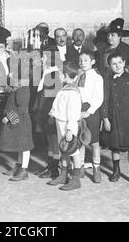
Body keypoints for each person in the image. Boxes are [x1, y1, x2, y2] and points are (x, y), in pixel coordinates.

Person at [102, 52, 129, 185]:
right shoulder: (108, 80)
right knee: (115, 145)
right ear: (109, 66)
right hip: (114, 116)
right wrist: (105, 118)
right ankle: (116, 171)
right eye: (113, 64)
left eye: (120, 63)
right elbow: (104, 100)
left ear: (124, 63)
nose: (117, 66)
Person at [47, 61, 82, 190]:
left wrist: (70, 130)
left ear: (66, 75)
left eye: (60, 74)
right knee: (64, 151)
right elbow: (57, 104)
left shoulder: (73, 93)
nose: (58, 76)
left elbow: (73, 114)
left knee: (74, 152)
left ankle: (76, 179)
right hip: (60, 124)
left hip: (68, 126)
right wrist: (52, 114)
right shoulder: (64, 88)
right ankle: (63, 175)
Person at [0, 62, 34, 181]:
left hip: (22, 122)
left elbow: (22, 108)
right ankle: (19, 166)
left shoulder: (23, 89)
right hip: (17, 121)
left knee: (25, 146)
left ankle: (24, 170)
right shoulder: (17, 87)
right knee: (20, 145)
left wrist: (9, 117)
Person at [33, 46, 63, 179]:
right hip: (45, 113)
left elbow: (54, 99)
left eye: (44, 56)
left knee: (54, 141)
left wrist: (51, 115)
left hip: (51, 114)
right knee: (50, 141)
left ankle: (55, 169)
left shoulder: (54, 74)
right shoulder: (47, 72)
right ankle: (50, 166)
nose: (41, 59)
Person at [76, 51, 104, 183]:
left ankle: (96, 168)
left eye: (86, 60)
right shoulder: (77, 77)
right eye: (80, 60)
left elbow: (99, 97)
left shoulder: (97, 78)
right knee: (81, 139)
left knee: (94, 142)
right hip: (78, 109)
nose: (82, 63)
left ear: (92, 62)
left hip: (91, 111)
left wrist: (89, 111)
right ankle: (80, 166)